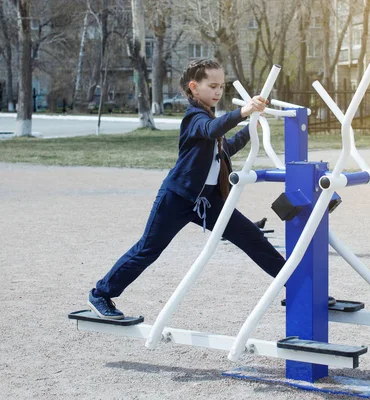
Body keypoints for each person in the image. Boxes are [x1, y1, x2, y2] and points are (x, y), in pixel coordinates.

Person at [87, 59, 287, 319]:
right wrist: (243, 112)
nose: (218, 92)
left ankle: (299, 288)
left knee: (253, 239)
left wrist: (249, 128)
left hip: (208, 202)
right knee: (148, 250)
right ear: (194, 87)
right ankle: (101, 294)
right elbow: (212, 129)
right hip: (178, 198)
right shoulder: (195, 117)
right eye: (212, 86)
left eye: (221, 87)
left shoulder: (210, 117)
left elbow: (223, 149)